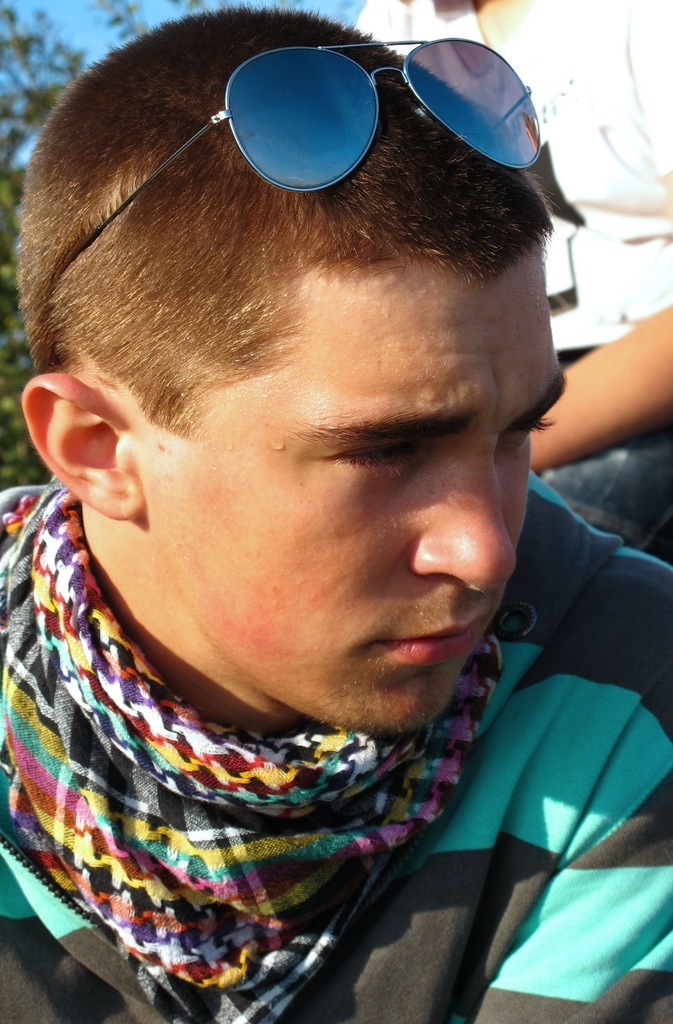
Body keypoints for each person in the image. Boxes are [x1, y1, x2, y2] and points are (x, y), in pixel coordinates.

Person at [1, 6, 672, 1023]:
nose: (486, 550)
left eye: (516, 431)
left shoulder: (629, 687)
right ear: (97, 449)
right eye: (384, 450)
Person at [357, 0, 673, 562]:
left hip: (629, 388)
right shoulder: (389, 27)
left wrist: (504, 439)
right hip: (490, 397)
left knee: (532, 565)